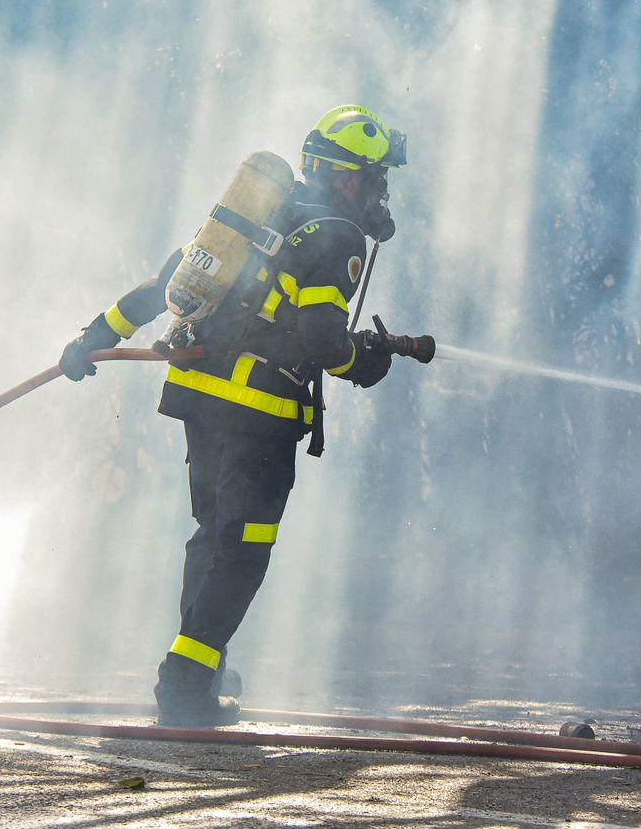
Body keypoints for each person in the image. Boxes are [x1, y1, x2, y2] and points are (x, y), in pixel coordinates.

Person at [58, 105, 409, 726]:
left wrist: (88, 339)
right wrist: (364, 362)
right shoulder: (338, 236)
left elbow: (161, 287)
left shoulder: (256, 214)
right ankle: (187, 683)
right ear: (351, 178)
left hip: (201, 402)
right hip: (260, 415)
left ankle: (200, 670)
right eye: (378, 178)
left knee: (212, 536)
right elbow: (327, 340)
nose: (381, 193)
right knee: (243, 550)